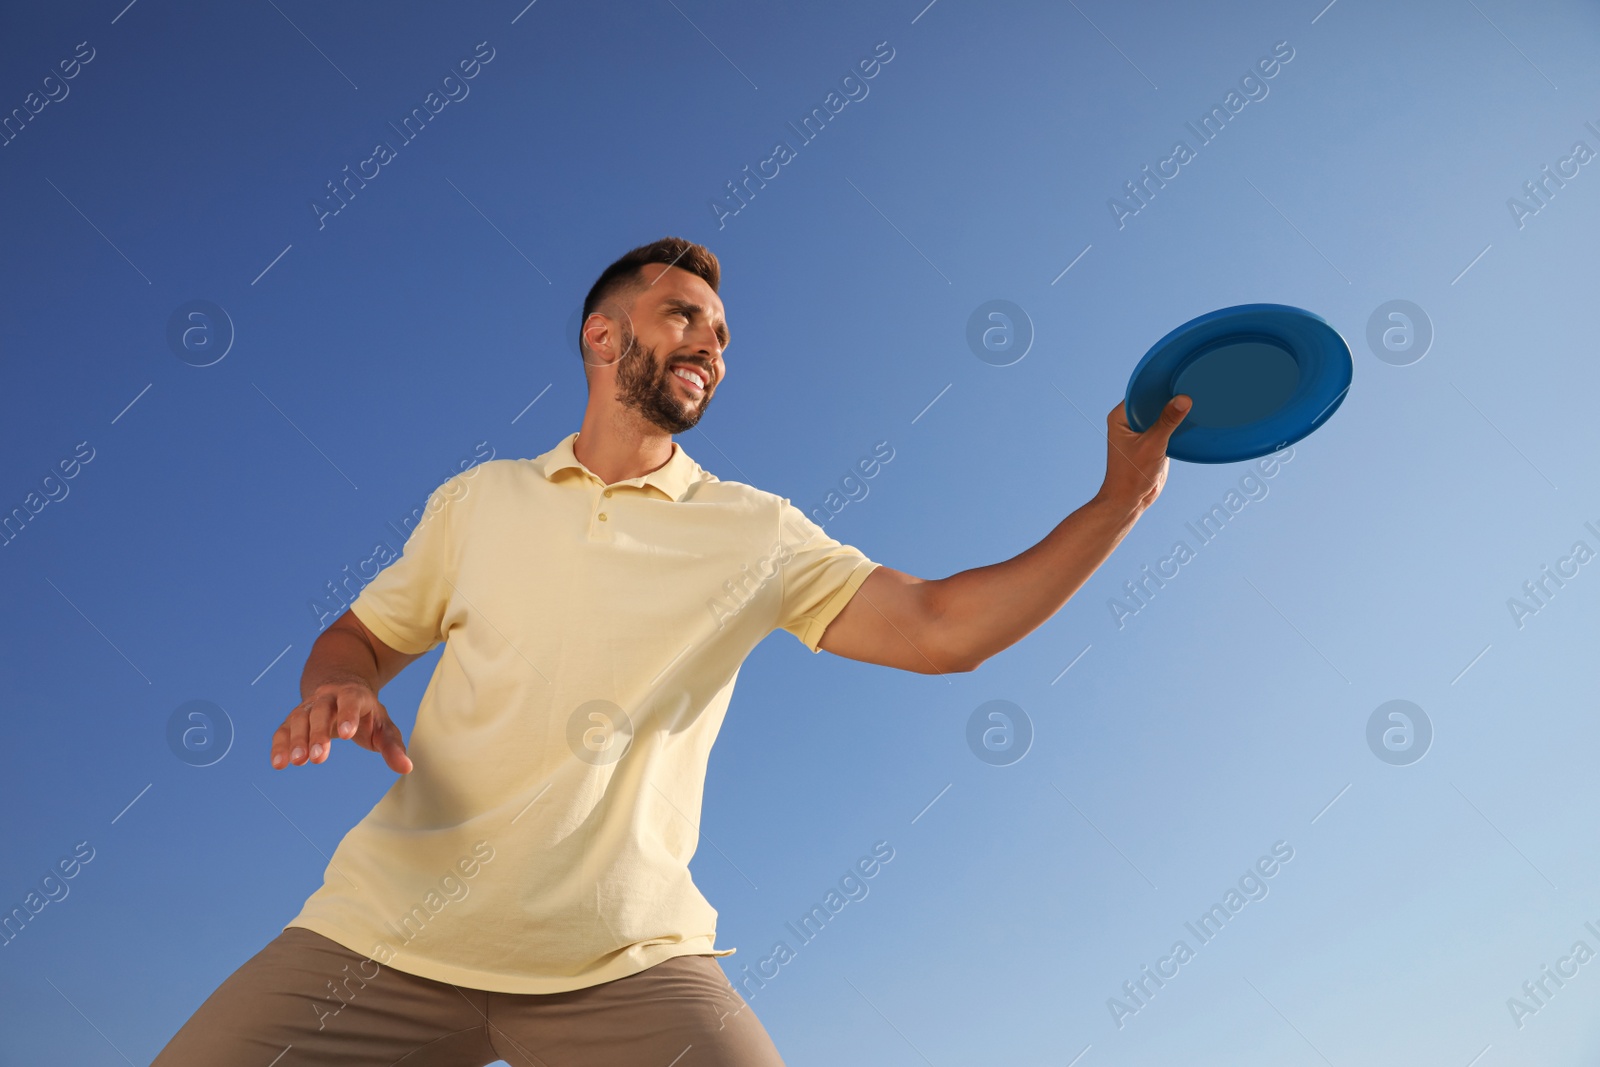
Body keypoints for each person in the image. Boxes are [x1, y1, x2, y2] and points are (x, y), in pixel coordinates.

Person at [152, 236, 1190, 1066]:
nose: (710, 344)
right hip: (377, 939)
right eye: (683, 315)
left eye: (724, 334)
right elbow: (361, 636)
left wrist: (1119, 502)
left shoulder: (755, 530)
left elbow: (940, 629)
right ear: (602, 336)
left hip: (628, 966)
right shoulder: (480, 500)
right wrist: (339, 684)